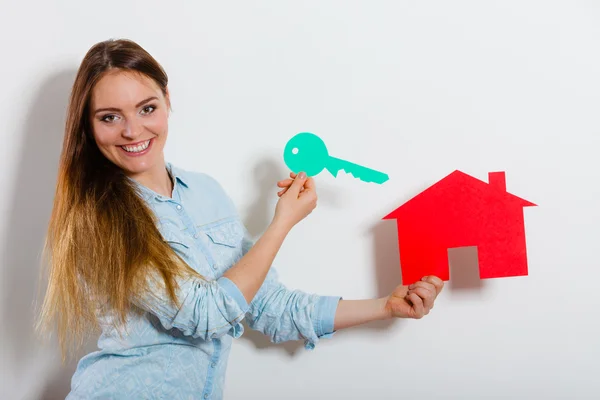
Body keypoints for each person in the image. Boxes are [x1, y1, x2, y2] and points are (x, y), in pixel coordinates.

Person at [36, 38, 444, 399]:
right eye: (109, 117)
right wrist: (281, 223)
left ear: (167, 100)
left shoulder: (206, 192)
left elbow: (270, 306)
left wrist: (387, 307)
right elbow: (206, 315)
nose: (132, 130)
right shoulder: (98, 219)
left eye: (146, 108)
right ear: (89, 128)